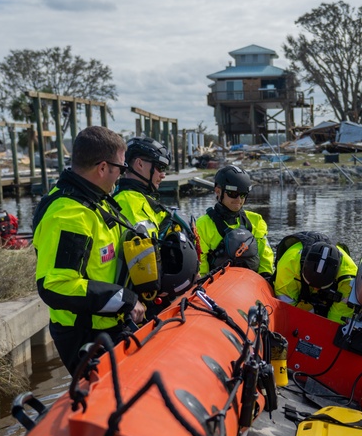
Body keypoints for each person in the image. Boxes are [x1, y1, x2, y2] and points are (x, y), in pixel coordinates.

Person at [31, 126, 147, 374]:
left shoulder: (95, 199)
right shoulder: (69, 216)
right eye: (121, 169)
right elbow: (56, 285)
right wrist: (124, 299)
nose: (121, 176)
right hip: (87, 333)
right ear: (103, 167)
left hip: (110, 322)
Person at [113, 136, 199, 316]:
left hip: (155, 300)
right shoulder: (126, 203)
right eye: (159, 167)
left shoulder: (147, 202)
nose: (163, 174)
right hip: (140, 306)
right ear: (139, 164)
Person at [195, 165, 274, 277]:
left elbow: (265, 255)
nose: (239, 200)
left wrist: (266, 277)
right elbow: (201, 266)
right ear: (218, 191)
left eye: (243, 195)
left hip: (252, 283)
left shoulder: (256, 220)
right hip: (218, 284)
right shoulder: (202, 225)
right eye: (233, 194)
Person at [272, 232, 358, 324]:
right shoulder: (288, 265)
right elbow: (286, 307)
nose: (315, 289)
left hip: (334, 291)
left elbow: (339, 316)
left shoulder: (349, 279)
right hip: (296, 277)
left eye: (319, 287)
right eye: (312, 286)